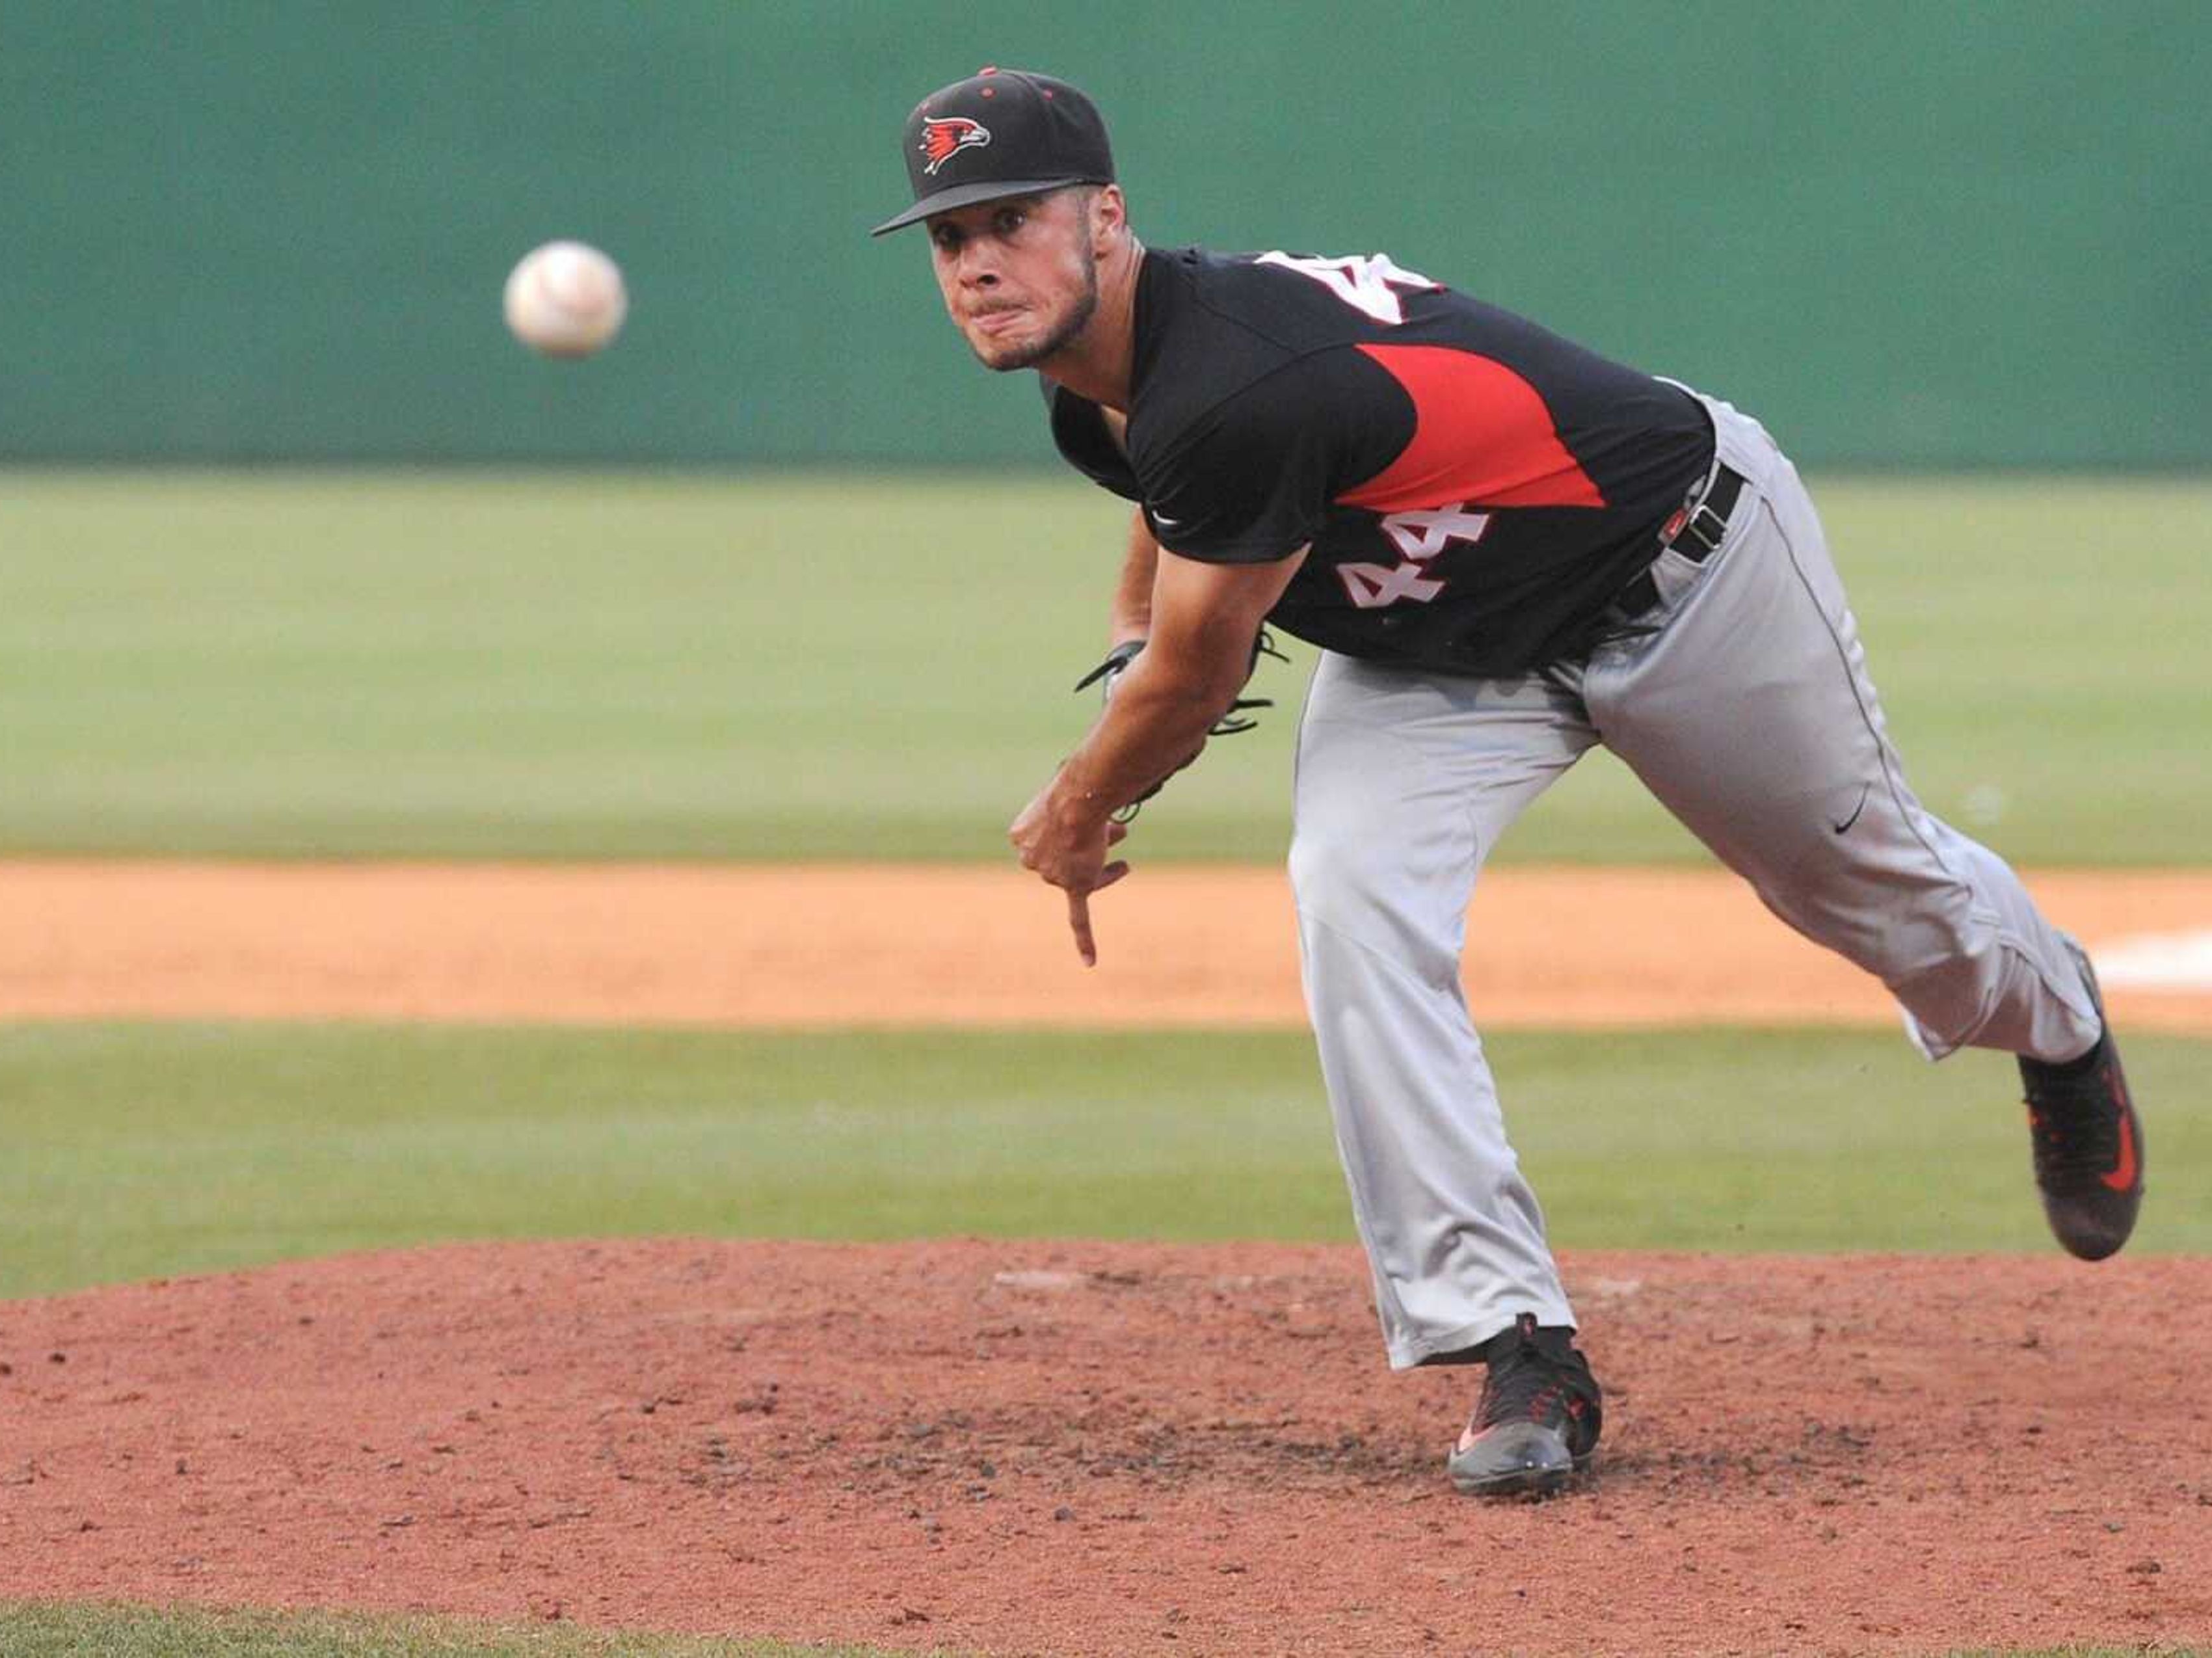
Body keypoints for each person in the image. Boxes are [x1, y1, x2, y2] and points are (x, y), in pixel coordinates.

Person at [874, 68, 2144, 1498]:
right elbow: (1163, 506)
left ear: (1107, 218)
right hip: (1441, 650)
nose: (978, 260)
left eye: (1014, 218)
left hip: (1683, 570)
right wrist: (1128, 637)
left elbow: (1196, 671)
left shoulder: (1237, 376)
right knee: (1352, 893)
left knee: (1866, 892)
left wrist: (1082, 804)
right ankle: (1515, 1341)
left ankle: (2057, 1018)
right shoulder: (1099, 385)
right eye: (947, 235)